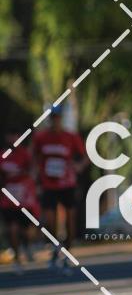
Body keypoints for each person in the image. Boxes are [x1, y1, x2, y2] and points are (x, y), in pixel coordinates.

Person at [33, 107, 87, 272]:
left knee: (70, 219)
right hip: (48, 184)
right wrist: (35, 176)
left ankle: (67, 253)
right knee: (50, 220)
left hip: (67, 183)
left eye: (57, 117)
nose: (55, 120)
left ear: (61, 119)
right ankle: (55, 250)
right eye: (53, 117)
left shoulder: (70, 137)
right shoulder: (41, 137)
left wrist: (79, 166)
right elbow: (33, 156)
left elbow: (85, 156)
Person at [0, 131, 39, 273]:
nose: (12, 139)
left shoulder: (25, 154)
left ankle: (27, 245)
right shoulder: (2, 155)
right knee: (12, 229)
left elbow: (34, 170)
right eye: (9, 136)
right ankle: (17, 259)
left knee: (26, 230)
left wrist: (28, 179)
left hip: (25, 198)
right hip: (8, 199)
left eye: (15, 136)